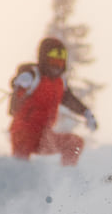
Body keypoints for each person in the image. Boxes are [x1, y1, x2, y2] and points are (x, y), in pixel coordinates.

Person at [9, 37, 98, 166]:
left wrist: (86, 112)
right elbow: (15, 102)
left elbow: (69, 99)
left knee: (74, 143)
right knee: (21, 164)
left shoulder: (59, 83)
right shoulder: (34, 76)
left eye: (60, 62)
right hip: (23, 133)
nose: (56, 66)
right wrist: (19, 83)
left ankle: (66, 176)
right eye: (53, 60)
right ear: (44, 59)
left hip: (44, 136)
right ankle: (18, 174)